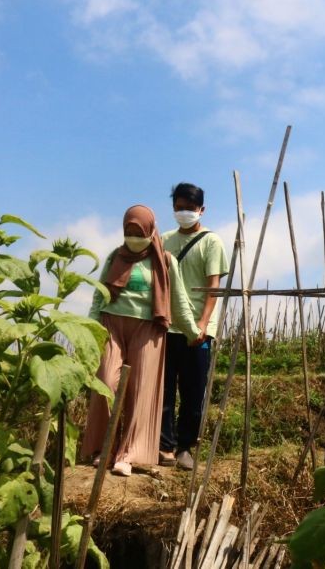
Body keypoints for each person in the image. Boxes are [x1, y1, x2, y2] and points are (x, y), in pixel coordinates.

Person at [81, 205, 201, 477]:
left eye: (138, 232)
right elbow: (99, 296)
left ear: (150, 230)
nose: (133, 237)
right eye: (128, 231)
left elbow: (178, 302)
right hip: (111, 323)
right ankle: (104, 448)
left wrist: (193, 332)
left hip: (148, 328)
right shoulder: (115, 256)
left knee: (139, 390)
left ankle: (127, 454)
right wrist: (89, 329)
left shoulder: (166, 260)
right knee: (105, 384)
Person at [159, 183, 229, 470]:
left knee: (193, 392)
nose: (183, 212)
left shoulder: (212, 242)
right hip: (167, 326)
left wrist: (201, 324)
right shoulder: (163, 240)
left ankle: (185, 448)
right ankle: (165, 446)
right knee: (163, 390)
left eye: (189, 208)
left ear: (202, 210)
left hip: (198, 331)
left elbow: (214, 287)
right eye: (178, 207)